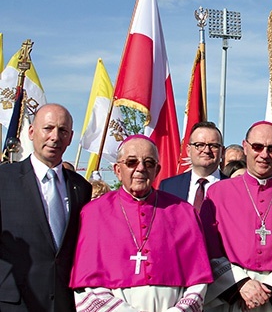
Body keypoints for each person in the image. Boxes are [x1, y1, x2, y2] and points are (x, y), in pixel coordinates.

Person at [70, 135, 213, 311]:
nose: (140, 168)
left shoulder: (183, 212)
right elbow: (87, 286)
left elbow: (198, 282)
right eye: (131, 162)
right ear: (117, 170)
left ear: (157, 170)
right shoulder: (94, 213)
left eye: (149, 163)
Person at [201, 121, 272, 311]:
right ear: (245, 146)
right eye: (257, 147)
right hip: (230, 295)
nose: (264, 155)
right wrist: (240, 285)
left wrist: (270, 292)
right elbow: (206, 248)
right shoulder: (217, 194)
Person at [0, 103, 92, 312]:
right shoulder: (4, 179)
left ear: (70, 137)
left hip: (63, 302)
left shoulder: (81, 188)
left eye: (62, 130)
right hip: (14, 303)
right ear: (31, 132)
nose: (55, 137)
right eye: (48, 128)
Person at [160, 121, 224, 211]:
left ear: (222, 151)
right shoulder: (168, 187)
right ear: (188, 150)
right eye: (200, 145)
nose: (206, 150)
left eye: (213, 146)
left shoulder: (234, 189)